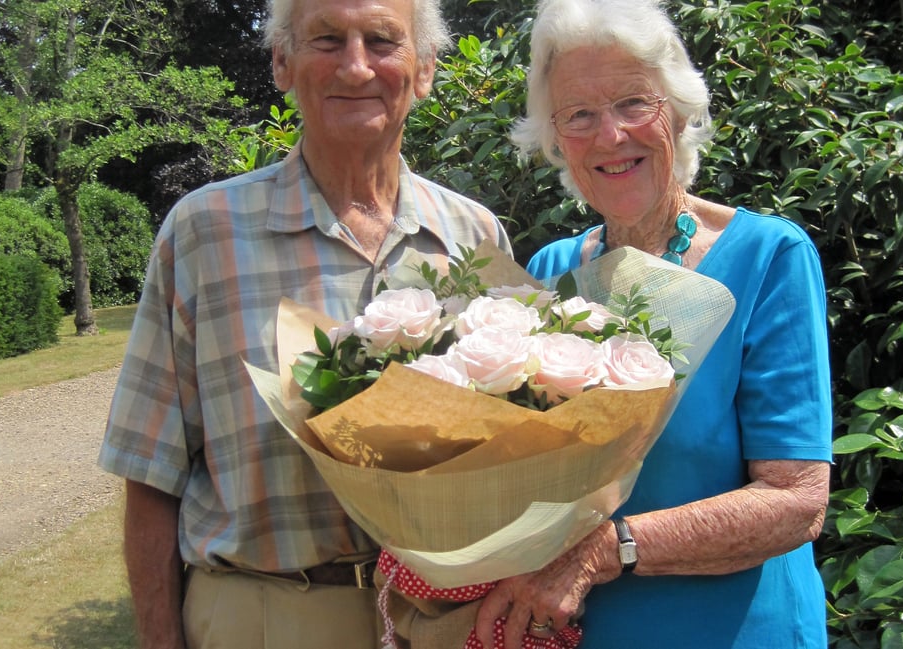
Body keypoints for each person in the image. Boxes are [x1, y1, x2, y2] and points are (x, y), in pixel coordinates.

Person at [98, 0, 512, 647]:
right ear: (282, 63)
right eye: (326, 39)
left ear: (425, 69)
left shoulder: (475, 236)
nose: (355, 66)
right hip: (265, 616)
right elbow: (149, 475)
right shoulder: (203, 234)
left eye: (381, 40)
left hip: (441, 623)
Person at [474, 0, 832, 647]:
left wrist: (605, 550)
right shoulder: (551, 269)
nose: (610, 135)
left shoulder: (767, 257)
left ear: (678, 108)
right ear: (556, 137)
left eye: (633, 103)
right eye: (580, 114)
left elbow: (797, 500)